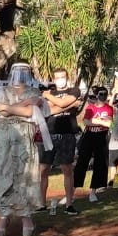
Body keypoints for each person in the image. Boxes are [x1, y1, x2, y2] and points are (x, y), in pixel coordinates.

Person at [0, 62, 46, 236]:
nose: (20, 74)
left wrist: (8, 107)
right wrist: (22, 105)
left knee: (24, 175)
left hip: (24, 137)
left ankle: (26, 217)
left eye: (24, 71)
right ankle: (4, 217)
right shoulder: (2, 90)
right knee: (3, 173)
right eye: (17, 71)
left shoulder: (34, 92)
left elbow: (29, 112)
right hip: (2, 137)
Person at [41, 69, 83, 215]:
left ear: (67, 77)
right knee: (43, 169)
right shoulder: (50, 92)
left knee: (67, 169)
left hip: (67, 134)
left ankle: (69, 204)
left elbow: (61, 103)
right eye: (57, 77)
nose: (60, 79)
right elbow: (48, 111)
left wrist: (50, 98)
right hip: (49, 133)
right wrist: (70, 105)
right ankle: (41, 203)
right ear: (53, 79)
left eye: (63, 77)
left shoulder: (74, 90)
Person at [75, 87, 113, 202]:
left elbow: (109, 123)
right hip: (89, 136)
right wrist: (100, 121)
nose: (103, 96)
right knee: (81, 163)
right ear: (97, 95)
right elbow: (86, 122)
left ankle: (93, 191)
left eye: (105, 94)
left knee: (100, 164)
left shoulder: (109, 108)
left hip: (101, 137)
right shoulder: (90, 107)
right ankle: (72, 190)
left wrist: (94, 121)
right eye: (101, 94)